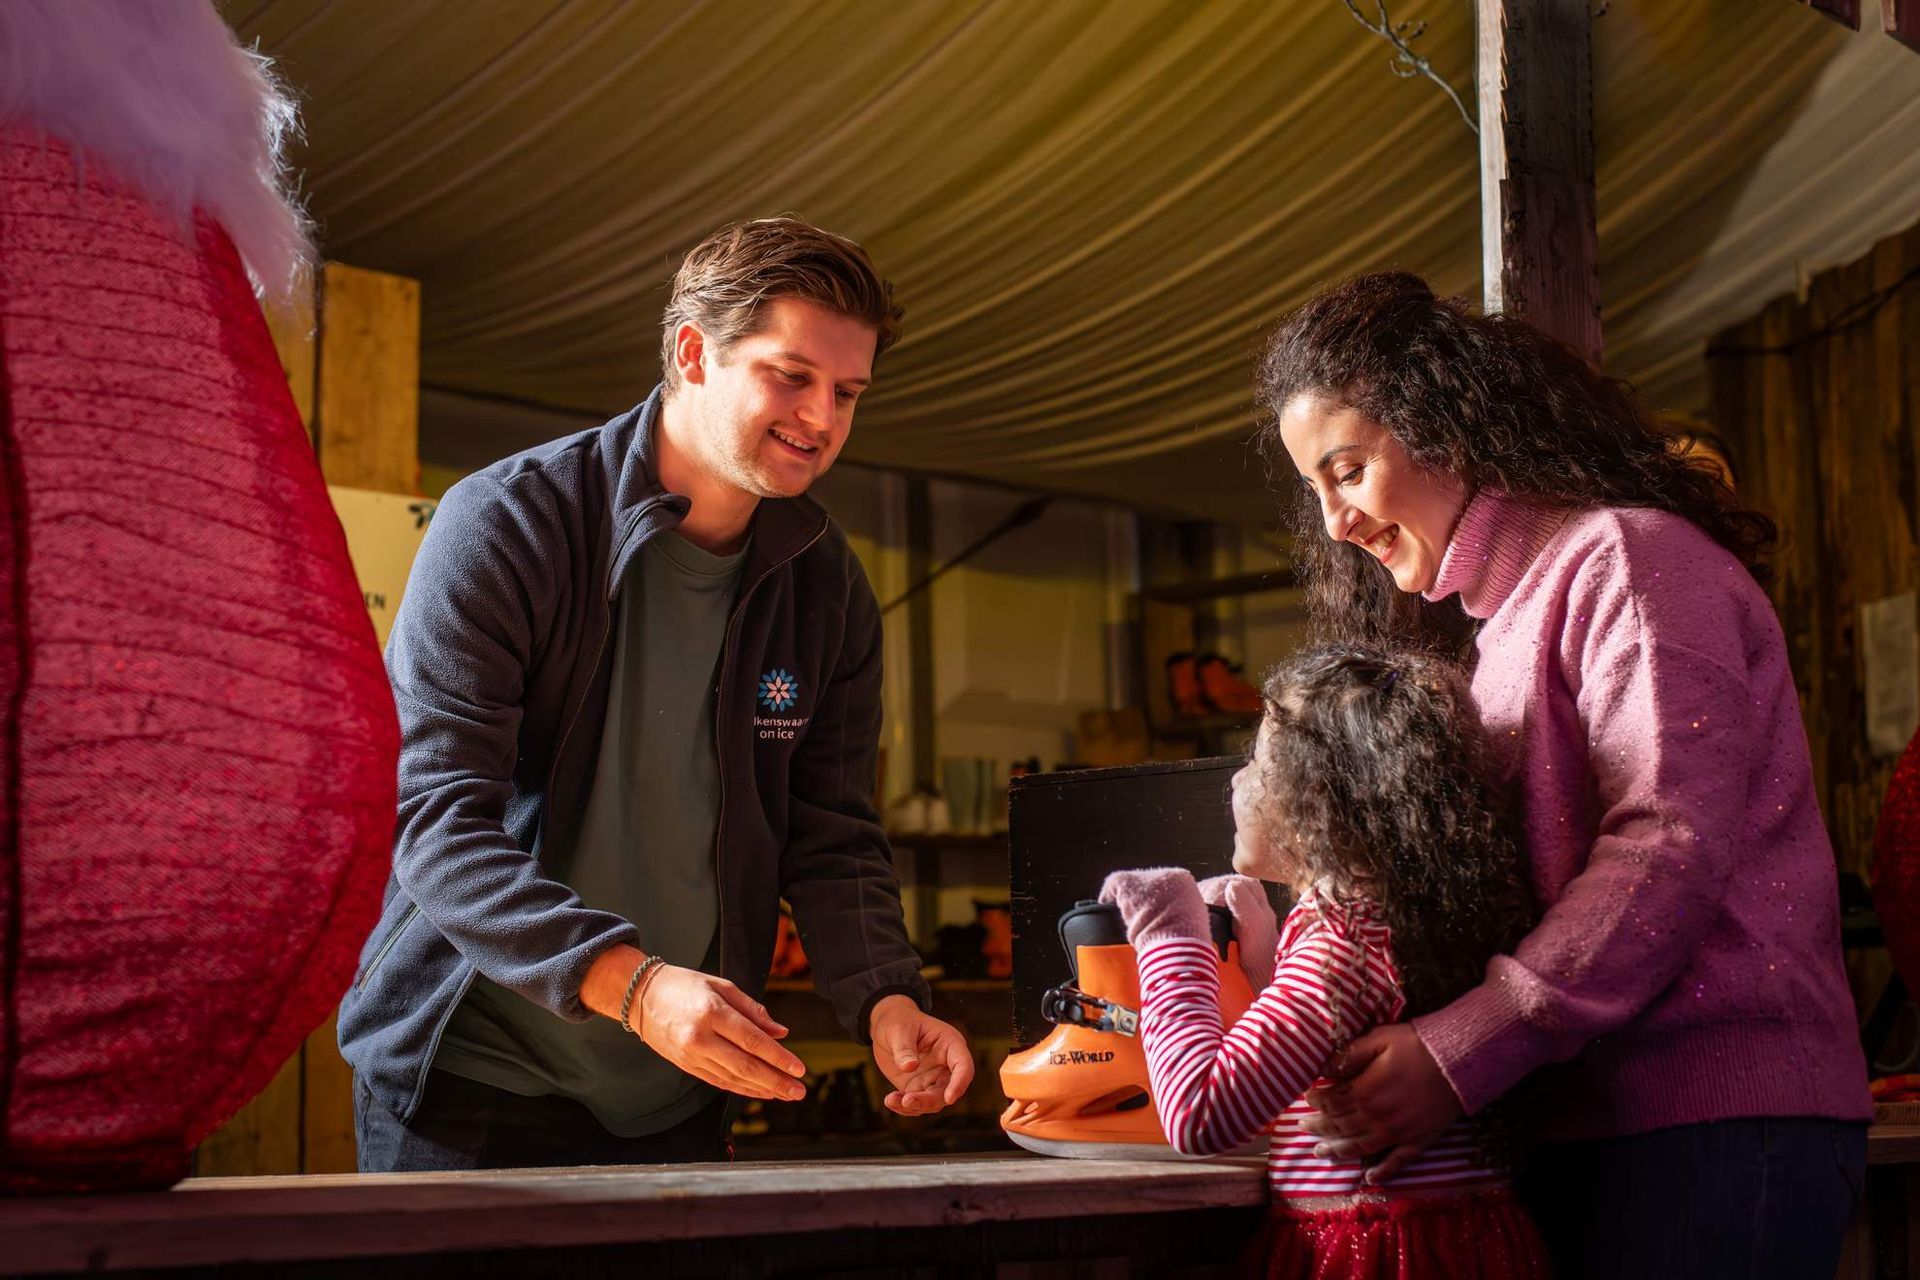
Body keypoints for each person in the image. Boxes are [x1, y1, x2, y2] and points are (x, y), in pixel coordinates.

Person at [1259, 271, 1871, 1276]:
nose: (1335, 522)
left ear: (1445, 424)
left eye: (1350, 468)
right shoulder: (1500, 624)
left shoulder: (1631, 558)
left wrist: (1464, 1050)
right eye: (1315, 488)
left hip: (1714, 1118)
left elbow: (1663, 849)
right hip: (1594, 1125)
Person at [339, 217, 974, 1171]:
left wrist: (888, 997)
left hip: (677, 1093)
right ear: (692, 352)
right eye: (792, 375)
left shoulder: (826, 581)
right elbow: (436, 818)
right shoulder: (510, 524)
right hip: (468, 1079)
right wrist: (633, 988)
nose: (824, 419)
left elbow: (831, 831)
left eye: (848, 392)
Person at [1100, 644, 1548, 1278]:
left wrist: (1169, 928)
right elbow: (1308, 1061)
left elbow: (1200, 1113)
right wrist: (1262, 956)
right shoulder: (1403, 916)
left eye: (1257, 763)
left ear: (1319, 799)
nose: (1236, 779)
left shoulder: (1341, 940)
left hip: (1369, 1254)